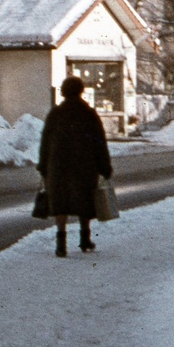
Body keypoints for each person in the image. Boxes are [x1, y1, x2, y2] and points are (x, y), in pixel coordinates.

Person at [38, 76, 114, 257]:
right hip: (84, 166)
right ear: (81, 91)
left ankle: (61, 243)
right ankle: (84, 239)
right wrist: (105, 166)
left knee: (60, 203)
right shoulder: (89, 113)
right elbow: (99, 142)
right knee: (84, 201)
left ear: (63, 92)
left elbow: (45, 142)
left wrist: (43, 166)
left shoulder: (55, 114)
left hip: (58, 166)